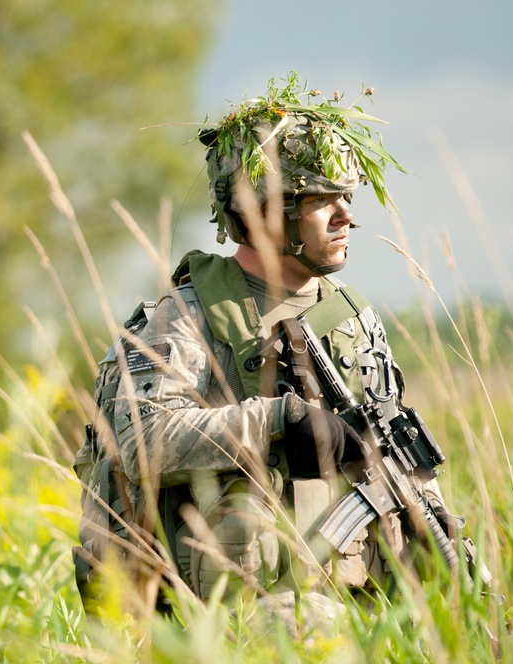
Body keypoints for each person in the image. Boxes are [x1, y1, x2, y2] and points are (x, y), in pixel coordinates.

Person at [73, 76, 463, 628]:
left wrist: (432, 518)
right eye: (321, 202)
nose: (346, 217)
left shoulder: (355, 321)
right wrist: (280, 419)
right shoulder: (185, 318)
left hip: (358, 599)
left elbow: (391, 443)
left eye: (346, 199)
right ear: (264, 211)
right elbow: (141, 441)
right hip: (226, 615)